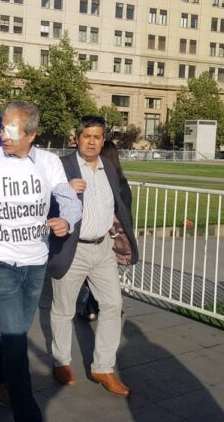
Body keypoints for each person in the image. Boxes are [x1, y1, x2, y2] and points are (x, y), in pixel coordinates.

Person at [0, 101, 82, 422]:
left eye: (11, 130)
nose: (3, 135)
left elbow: (70, 201)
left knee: (16, 334)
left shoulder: (50, 163)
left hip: (35, 262)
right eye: (2, 129)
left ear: (31, 135)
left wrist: (66, 220)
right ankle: (28, 413)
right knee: (16, 343)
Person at [47, 116, 139, 397]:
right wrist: (61, 189)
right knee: (63, 309)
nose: (91, 141)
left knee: (112, 304)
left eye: (97, 136)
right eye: (86, 135)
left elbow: (117, 206)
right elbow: (41, 202)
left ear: (103, 140)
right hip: (72, 248)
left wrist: (121, 237)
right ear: (76, 138)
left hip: (102, 248)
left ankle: (103, 366)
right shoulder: (62, 166)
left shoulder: (108, 167)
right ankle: (61, 361)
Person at [79, 139, 133, 321]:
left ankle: (94, 308)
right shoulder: (122, 182)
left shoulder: (107, 181)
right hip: (116, 235)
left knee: (94, 275)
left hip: (104, 235)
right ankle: (99, 307)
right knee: (104, 276)